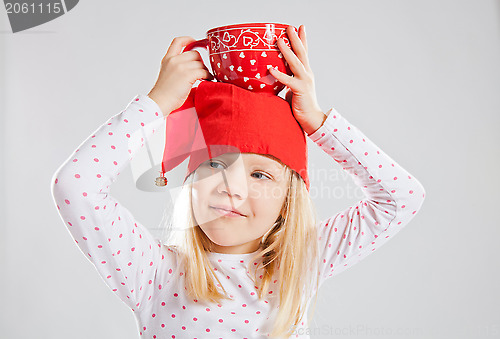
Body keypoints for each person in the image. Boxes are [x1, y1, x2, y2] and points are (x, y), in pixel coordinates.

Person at [51, 25, 426, 338]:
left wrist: (316, 120)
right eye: (214, 163)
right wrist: (157, 103)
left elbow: (402, 197)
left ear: (288, 199)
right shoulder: (154, 274)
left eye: (260, 174)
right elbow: (76, 186)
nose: (231, 186)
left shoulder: (301, 264)